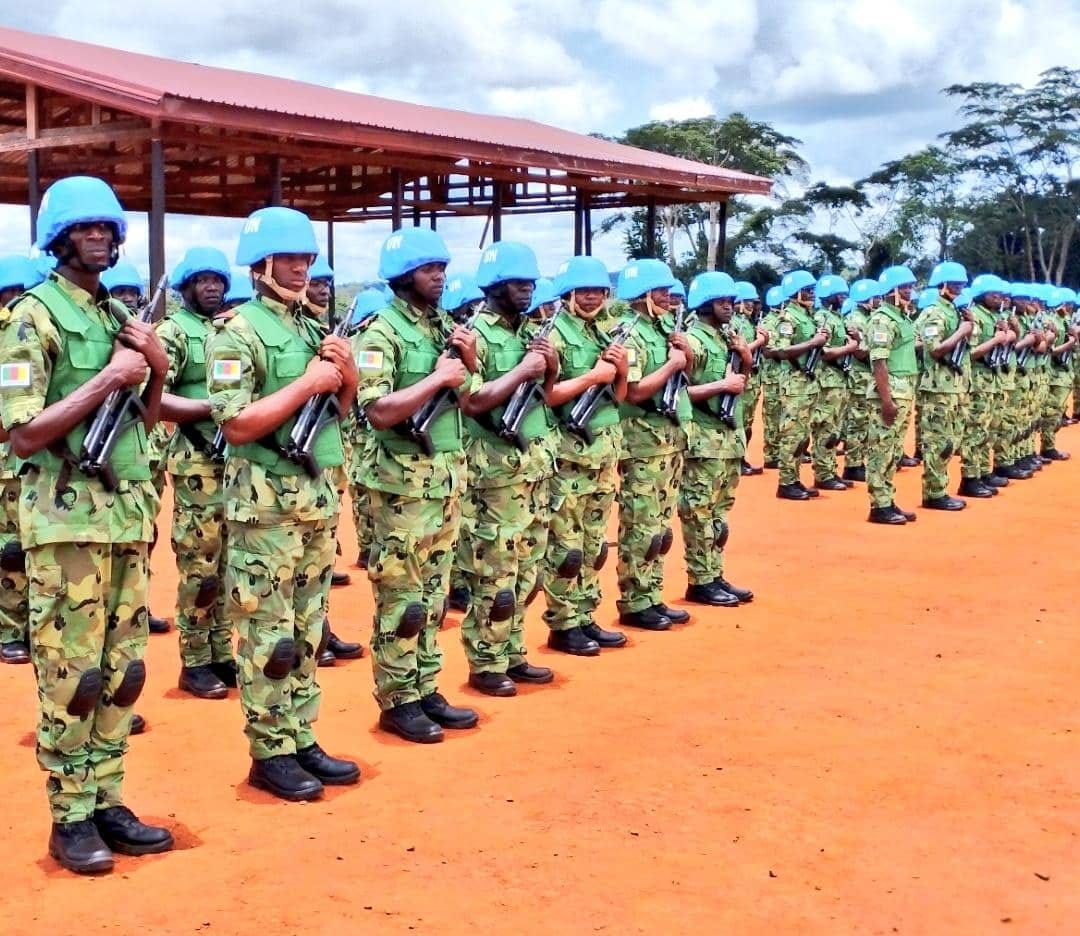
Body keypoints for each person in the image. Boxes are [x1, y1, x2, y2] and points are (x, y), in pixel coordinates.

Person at [0, 175, 174, 873]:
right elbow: (21, 435)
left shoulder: (116, 318)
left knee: (121, 672)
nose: (99, 235)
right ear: (59, 236)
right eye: (85, 227)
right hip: (65, 525)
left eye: (108, 226)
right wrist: (106, 378)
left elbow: (146, 422)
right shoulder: (30, 318)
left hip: (125, 517)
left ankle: (106, 797)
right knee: (73, 675)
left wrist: (154, 368)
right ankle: (69, 815)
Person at [206, 206, 359, 800]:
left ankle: (301, 735)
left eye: (307, 260)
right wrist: (308, 383)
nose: (301, 269)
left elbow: (338, 414)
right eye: (290, 259)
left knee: (308, 626)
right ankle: (269, 751)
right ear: (262, 265)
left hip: (315, 500)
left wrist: (343, 377)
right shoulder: (235, 331)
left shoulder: (312, 328)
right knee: (270, 635)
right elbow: (236, 423)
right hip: (264, 507)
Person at [353, 227, 480, 743]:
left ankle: (425, 685)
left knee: (432, 592)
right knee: (401, 596)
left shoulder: (440, 329)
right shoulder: (380, 333)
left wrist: (467, 363)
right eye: (431, 269)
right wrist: (438, 379)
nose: (441, 277)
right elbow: (377, 410)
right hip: (401, 486)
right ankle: (398, 698)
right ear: (404, 275)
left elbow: (469, 400)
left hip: (443, 481)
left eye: (443, 268)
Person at [453, 242, 557, 696]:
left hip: (532, 466)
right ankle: (486, 661)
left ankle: (513, 651)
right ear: (494, 287)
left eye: (531, 282)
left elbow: (546, 399)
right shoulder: (474, 334)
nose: (527, 290)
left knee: (528, 569)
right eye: (519, 283)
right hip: (494, 472)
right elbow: (472, 399)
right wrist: (525, 368)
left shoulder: (529, 332)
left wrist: (548, 370)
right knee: (494, 571)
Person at [157, 247, 237, 700]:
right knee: (200, 565)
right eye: (202, 280)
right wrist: (212, 408)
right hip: (197, 464)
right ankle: (195, 660)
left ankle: (222, 651)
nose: (212, 288)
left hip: (235, 464)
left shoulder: (228, 329)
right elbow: (154, 397)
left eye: (218, 280)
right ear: (186, 287)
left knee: (229, 564)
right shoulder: (173, 333)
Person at [542, 255, 629, 655]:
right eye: (584, 291)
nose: (592, 297)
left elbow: (620, 399)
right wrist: (592, 376)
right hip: (569, 457)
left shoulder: (606, 334)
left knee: (594, 544)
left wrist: (621, 373)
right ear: (568, 294)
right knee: (566, 546)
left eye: (598, 291)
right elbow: (548, 396)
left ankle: (585, 615)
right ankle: (562, 623)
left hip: (603, 452)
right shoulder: (552, 336)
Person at [614, 258, 692, 631]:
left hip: (667, 439)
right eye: (661, 291)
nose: (669, 296)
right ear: (643, 294)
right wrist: (672, 364)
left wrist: (684, 355)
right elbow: (633, 391)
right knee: (640, 523)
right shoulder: (629, 333)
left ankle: (652, 593)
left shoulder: (662, 329)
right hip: (643, 442)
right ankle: (634, 599)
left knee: (659, 525)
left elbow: (684, 375)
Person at [101, 261, 172, 635]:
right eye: (121, 293)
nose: (128, 299)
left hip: (140, 457)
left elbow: (147, 411)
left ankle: (139, 605)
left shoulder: (150, 336)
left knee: (142, 540)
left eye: (133, 292)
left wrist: (156, 368)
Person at [679, 272, 752, 607]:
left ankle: (714, 573)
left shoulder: (726, 338)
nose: (730, 307)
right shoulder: (692, 341)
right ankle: (700, 580)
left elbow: (741, 382)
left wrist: (746, 357)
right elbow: (679, 393)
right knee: (699, 512)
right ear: (705, 303)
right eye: (723, 301)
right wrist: (721, 387)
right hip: (704, 438)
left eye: (731, 301)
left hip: (728, 437)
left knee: (719, 513)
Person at [865, 266, 920, 524]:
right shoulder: (882, 319)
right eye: (905, 287)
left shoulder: (902, 318)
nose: (910, 291)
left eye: (910, 286)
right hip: (890, 393)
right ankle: (879, 506)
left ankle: (888, 500)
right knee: (881, 450)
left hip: (904, 390)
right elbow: (879, 362)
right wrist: (886, 400)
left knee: (893, 450)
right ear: (892, 291)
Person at [768, 270, 829, 500]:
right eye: (808, 290)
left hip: (809, 382)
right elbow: (781, 351)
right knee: (792, 433)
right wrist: (813, 341)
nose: (812, 294)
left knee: (803, 435)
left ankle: (794, 479)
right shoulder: (788, 318)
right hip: (794, 382)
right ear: (795, 293)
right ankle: (786, 482)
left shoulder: (807, 316)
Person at [915, 262, 971, 510]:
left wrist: (967, 325)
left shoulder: (954, 311)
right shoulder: (933, 313)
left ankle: (940, 489)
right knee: (938, 442)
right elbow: (935, 348)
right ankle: (934, 493)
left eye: (961, 284)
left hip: (954, 387)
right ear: (943, 285)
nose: (959, 288)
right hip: (938, 388)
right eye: (955, 283)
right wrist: (962, 331)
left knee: (950, 442)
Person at [0, 256, 31, 664]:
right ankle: (9, 628)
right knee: (9, 551)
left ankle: (32, 627)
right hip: (5, 463)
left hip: (38, 464)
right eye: (10, 294)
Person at [345, 289, 388, 574]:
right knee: (367, 489)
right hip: (367, 429)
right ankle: (369, 547)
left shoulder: (353, 342)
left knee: (362, 489)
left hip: (359, 429)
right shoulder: (368, 342)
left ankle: (366, 546)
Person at [961, 276, 1013, 493]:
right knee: (974, 430)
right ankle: (970, 478)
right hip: (977, 380)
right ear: (982, 295)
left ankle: (983, 471)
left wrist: (1008, 332)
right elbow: (970, 353)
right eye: (994, 295)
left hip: (991, 379)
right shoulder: (975, 317)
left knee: (986, 431)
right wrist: (996, 339)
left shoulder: (993, 316)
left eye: (1000, 295)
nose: (999, 298)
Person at [810, 274, 859, 491]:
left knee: (835, 429)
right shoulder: (824, 318)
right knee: (825, 428)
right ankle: (822, 473)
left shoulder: (837, 317)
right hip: (827, 381)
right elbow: (824, 352)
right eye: (839, 294)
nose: (843, 297)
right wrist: (849, 348)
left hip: (839, 381)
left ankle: (830, 470)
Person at [841, 279, 882, 483]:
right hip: (860, 377)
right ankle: (853, 464)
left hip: (868, 376)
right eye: (877, 297)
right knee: (857, 422)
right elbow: (858, 351)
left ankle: (857, 462)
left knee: (864, 421)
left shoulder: (869, 317)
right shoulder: (855, 319)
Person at [731, 281, 767, 475]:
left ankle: (741, 457)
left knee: (747, 422)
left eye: (753, 302)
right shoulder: (735, 322)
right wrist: (760, 341)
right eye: (747, 301)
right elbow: (740, 350)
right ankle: (738, 459)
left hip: (752, 377)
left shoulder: (748, 322)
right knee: (739, 422)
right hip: (740, 376)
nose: (751, 306)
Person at [1041, 287, 1076, 460]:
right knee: (1051, 412)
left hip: (1064, 373)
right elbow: (1051, 351)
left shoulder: (1065, 320)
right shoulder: (1050, 321)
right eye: (1068, 304)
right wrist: (1071, 342)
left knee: (1057, 411)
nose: (1070, 308)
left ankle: (1049, 445)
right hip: (1055, 373)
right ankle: (1047, 447)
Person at [758, 286, 784, 469]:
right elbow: (768, 352)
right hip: (772, 376)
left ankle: (779, 451)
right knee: (772, 415)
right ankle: (771, 454)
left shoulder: (781, 320)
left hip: (782, 375)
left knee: (783, 415)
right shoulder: (768, 323)